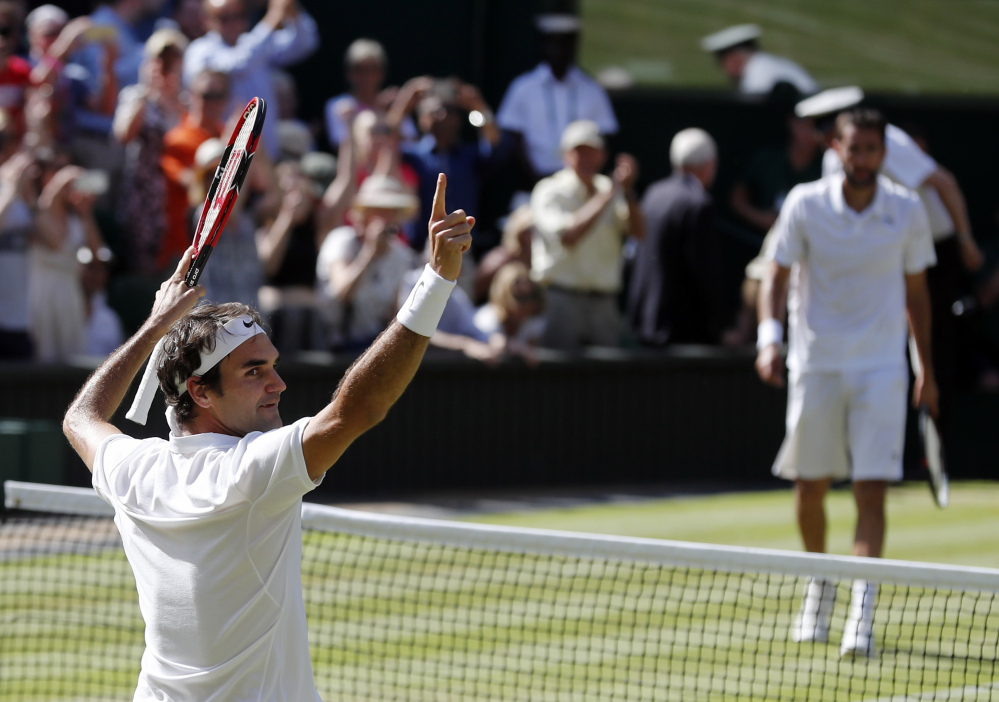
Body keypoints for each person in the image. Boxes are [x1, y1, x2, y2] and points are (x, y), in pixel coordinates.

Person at [61, 172, 472, 701]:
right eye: (254, 371)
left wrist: (155, 326)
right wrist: (435, 280)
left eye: (273, 366)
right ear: (200, 392)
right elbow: (360, 408)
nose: (278, 383)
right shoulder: (249, 472)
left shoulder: (136, 470)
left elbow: (80, 416)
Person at [755, 109, 937, 658]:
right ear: (836, 148)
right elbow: (775, 276)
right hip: (815, 365)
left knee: (871, 490)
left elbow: (917, 296)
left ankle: (863, 611)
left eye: (872, 150)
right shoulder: (804, 203)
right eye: (853, 149)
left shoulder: (906, 209)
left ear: (884, 153)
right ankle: (819, 585)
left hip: (882, 368)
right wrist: (770, 338)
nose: (862, 160)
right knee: (809, 488)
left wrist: (924, 367)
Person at [796, 86, 983, 443]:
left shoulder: (890, 143)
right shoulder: (835, 160)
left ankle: (934, 446)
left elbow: (944, 183)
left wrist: (964, 240)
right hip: (884, 254)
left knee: (932, 342)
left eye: (822, 128)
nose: (818, 138)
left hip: (935, 251)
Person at [530, 119, 643, 352]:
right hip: (560, 300)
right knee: (557, 380)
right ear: (565, 155)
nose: (586, 158)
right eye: (579, 152)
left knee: (604, 383)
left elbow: (639, 232)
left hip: (604, 302)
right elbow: (569, 236)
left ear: (603, 156)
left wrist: (629, 192)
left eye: (592, 152)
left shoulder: (611, 189)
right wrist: (609, 195)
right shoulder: (548, 190)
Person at [627, 128, 728, 346]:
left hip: (646, 322)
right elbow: (704, 273)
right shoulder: (698, 203)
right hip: (681, 332)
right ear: (709, 164)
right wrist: (718, 326)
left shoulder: (653, 194)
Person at [183, 0, 319, 159]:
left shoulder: (253, 43)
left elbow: (305, 43)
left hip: (267, 156)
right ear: (206, 19)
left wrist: (291, 11)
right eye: (224, 17)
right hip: (224, 160)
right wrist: (272, 19)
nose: (233, 23)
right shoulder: (199, 51)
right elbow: (240, 63)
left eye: (238, 15)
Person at [496, 13, 618, 187]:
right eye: (553, 42)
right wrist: (537, 181)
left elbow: (604, 138)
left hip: (580, 189)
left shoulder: (592, 90)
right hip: (531, 186)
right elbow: (513, 142)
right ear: (543, 44)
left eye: (565, 43)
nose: (559, 49)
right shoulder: (522, 88)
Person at [113, 28, 186, 277]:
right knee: (143, 272)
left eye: (172, 58)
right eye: (160, 58)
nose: (165, 65)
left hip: (175, 197)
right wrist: (148, 89)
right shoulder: (135, 96)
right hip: (142, 199)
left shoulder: (186, 102)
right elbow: (123, 135)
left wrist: (173, 95)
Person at [315, 175, 417, 351]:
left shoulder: (402, 255)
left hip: (372, 348)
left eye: (392, 210)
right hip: (333, 347)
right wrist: (369, 251)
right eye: (379, 209)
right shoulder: (341, 240)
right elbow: (341, 292)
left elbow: (392, 312)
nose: (386, 217)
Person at [159, 68, 228, 270]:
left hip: (223, 249)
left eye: (218, 96)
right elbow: (196, 188)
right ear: (192, 96)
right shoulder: (177, 139)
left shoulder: (229, 134)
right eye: (206, 95)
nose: (211, 103)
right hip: (185, 250)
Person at [323, 38, 418, 149]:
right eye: (359, 69)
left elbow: (411, 142)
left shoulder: (395, 104)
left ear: (382, 73)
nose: (366, 76)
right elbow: (339, 144)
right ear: (349, 73)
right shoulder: (337, 105)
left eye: (373, 69)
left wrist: (394, 113)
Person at [701, 24, 817, 99]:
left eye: (722, 61)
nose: (723, 68)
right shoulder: (767, 65)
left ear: (734, 58)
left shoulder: (757, 76)